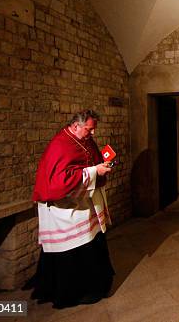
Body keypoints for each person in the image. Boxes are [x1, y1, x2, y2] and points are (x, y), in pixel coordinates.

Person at [27, 110, 115, 308]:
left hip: (83, 204)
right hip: (64, 210)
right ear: (76, 126)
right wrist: (95, 171)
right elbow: (59, 181)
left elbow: (91, 160)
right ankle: (74, 291)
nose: (92, 134)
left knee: (93, 244)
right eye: (89, 130)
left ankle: (97, 285)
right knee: (74, 252)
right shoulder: (59, 145)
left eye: (93, 130)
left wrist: (101, 166)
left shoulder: (84, 140)